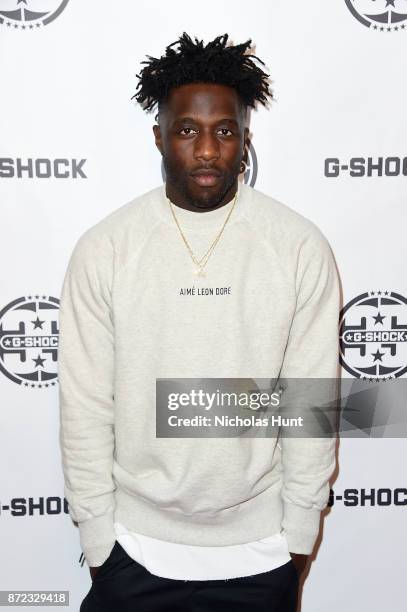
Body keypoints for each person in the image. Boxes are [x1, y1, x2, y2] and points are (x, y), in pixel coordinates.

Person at [58, 32, 340, 612]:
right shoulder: (106, 247)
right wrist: (98, 539)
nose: (208, 150)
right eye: (188, 130)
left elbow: (311, 403)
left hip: (262, 554)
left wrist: (298, 539)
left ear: (245, 139)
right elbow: (85, 406)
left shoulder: (297, 247)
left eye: (225, 131)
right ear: (159, 137)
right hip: (132, 552)